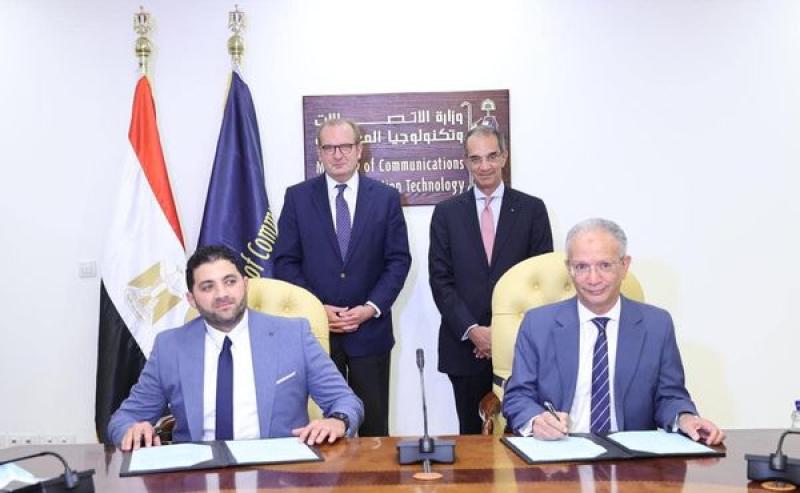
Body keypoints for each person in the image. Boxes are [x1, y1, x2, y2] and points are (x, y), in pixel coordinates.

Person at [107, 245, 363, 450]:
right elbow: (123, 419)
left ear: (245, 284)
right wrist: (132, 430)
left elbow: (344, 401)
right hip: (197, 477)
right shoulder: (170, 347)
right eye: (208, 287)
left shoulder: (293, 335)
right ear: (192, 299)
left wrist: (338, 421)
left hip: (280, 473)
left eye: (230, 281)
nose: (222, 294)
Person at [502, 218, 725, 445]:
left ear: (624, 266)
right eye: (581, 267)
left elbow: (670, 396)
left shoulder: (657, 325)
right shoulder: (538, 324)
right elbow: (517, 396)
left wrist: (685, 418)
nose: (593, 279)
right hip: (560, 451)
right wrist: (536, 420)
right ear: (569, 269)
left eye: (605, 265)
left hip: (632, 456)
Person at [273, 118, 411, 437]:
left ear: (359, 150)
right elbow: (285, 261)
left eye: (345, 146)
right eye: (329, 147)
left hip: (371, 332)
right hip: (316, 334)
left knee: (374, 431)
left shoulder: (386, 198)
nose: (338, 154)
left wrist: (371, 308)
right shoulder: (297, 197)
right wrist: (317, 309)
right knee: (319, 431)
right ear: (319, 152)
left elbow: (398, 260)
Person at [429, 124, 553, 434]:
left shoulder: (532, 209)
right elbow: (440, 280)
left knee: (524, 433)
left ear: (504, 157)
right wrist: (473, 331)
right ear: (466, 162)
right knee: (472, 438)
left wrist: (502, 334)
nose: (484, 166)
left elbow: (541, 282)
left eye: (491, 156)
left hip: (520, 348)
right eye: (475, 158)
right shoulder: (446, 213)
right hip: (464, 347)